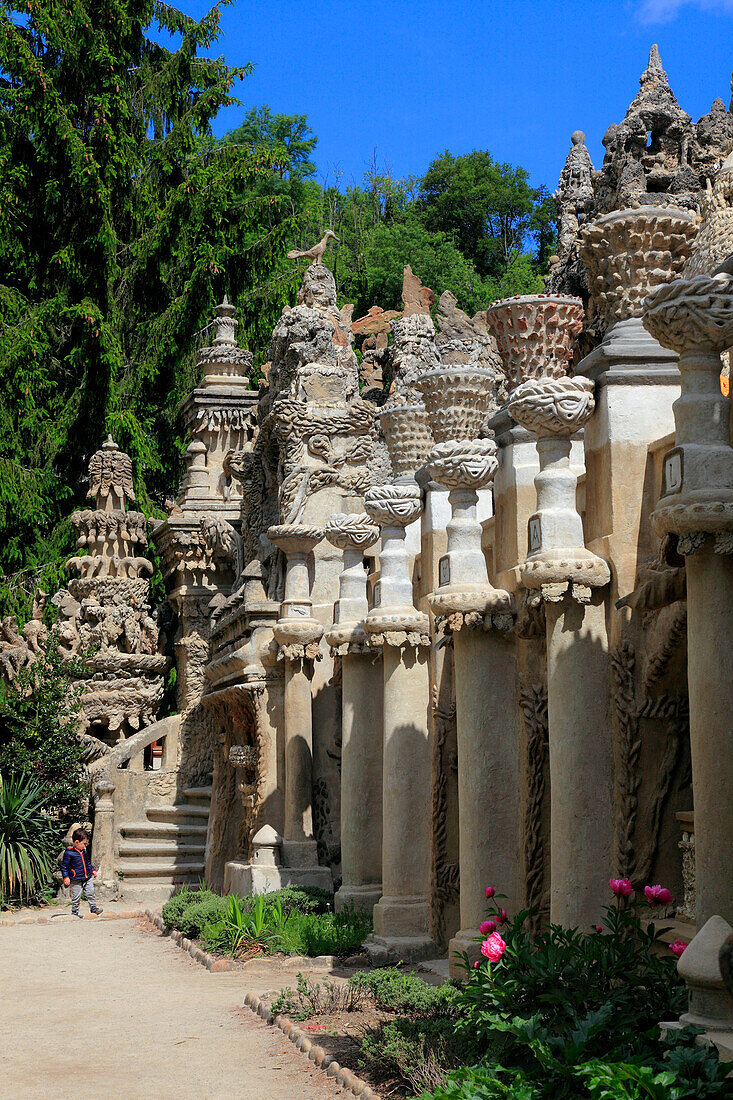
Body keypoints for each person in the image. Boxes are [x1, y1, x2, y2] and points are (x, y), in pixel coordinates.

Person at [61, 828, 103, 919]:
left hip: (87, 877)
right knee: (76, 897)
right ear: (76, 842)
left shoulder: (84, 851)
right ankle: (74, 912)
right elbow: (64, 866)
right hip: (76, 879)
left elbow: (87, 862)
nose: (85, 845)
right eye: (84, 843)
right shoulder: (69, 853)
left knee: (90, 893)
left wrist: (92, 870)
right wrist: (66, 877)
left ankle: (93, 908)